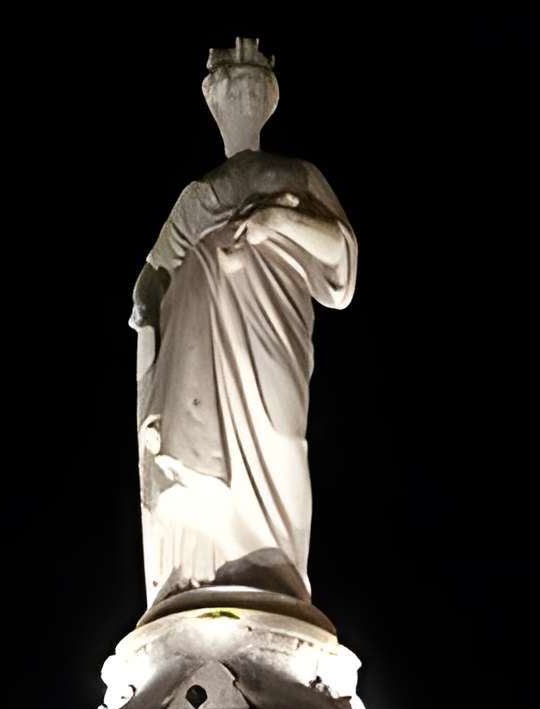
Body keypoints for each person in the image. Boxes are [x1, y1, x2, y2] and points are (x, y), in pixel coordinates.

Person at [132, 39, 356, 605]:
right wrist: (154, 305)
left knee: (280, 446)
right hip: (198, 356)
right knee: (204, 475)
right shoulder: (198, 197)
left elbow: (340, 262)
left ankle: (275, 584)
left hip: (269, 333)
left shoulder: (297, 175)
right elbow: (151, 280)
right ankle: (201, 578)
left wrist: (276, 219)